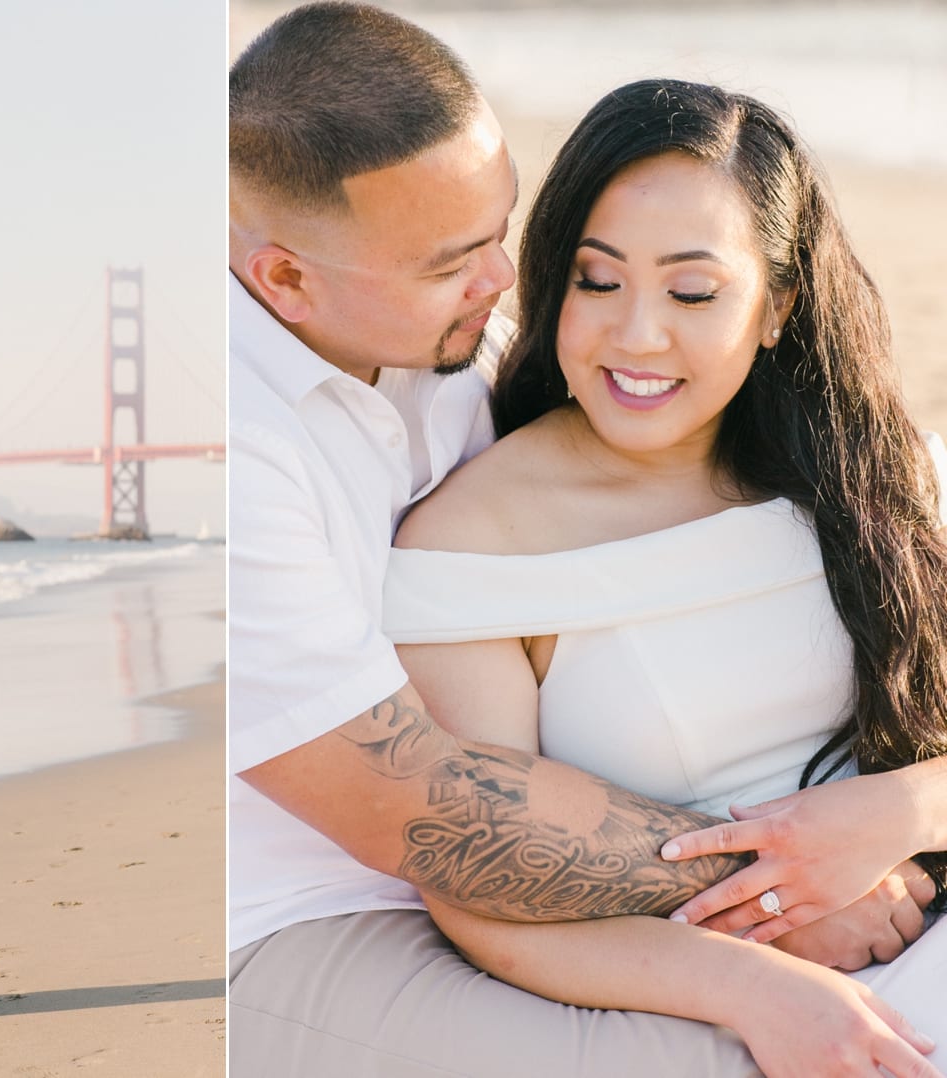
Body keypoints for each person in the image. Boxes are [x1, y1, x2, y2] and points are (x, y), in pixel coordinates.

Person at [228, 5, 942, 1075]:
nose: (506, 286)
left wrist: (894, 814)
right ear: (286, 279)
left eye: (504, 234)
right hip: (317, 912)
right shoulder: (255, 465)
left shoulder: (843, 465)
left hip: (795, 904)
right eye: (592, 278)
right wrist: (788, 892)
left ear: (777, 302)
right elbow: (424, 820)